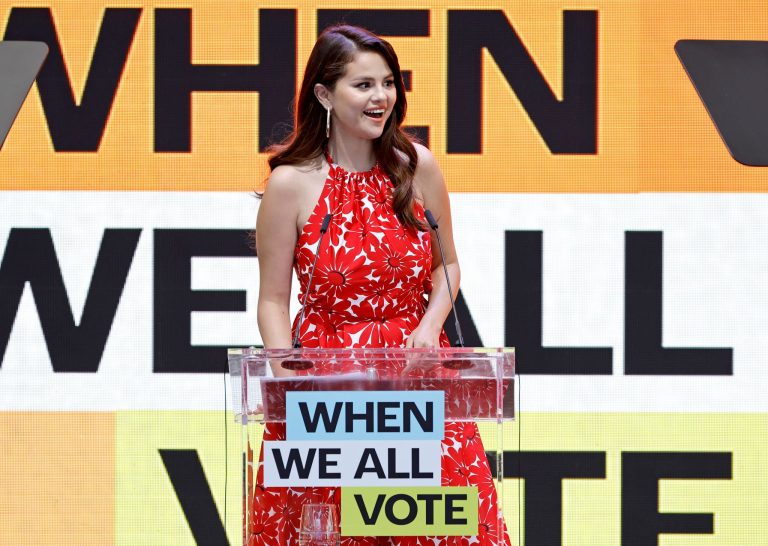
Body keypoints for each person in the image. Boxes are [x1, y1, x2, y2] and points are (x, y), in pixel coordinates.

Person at [253, 24, 509, 546]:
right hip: (327, 387)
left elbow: (446, 266)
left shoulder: (416, 166)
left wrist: (429, 328)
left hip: (416, 377)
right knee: (332, 527)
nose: (381, 97)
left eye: (388, 83)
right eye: (364, 85)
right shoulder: (291, 184)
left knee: (440, 527)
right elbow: (273, 301)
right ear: (324, 95)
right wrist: (288, 383)